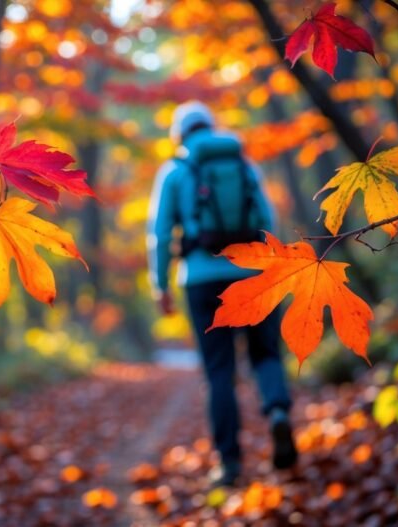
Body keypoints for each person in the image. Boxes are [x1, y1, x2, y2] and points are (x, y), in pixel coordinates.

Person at [146, 101, 297, 486]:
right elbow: (268, 219)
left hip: (201, 279)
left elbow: (160, 234)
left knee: (219, 371)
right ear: (211, 126)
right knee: (265, 354)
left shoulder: (176, 171)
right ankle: (277, 412)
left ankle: (229, 463)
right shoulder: (244, 165)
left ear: (179, 134)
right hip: (253, 273)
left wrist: (160, 285)